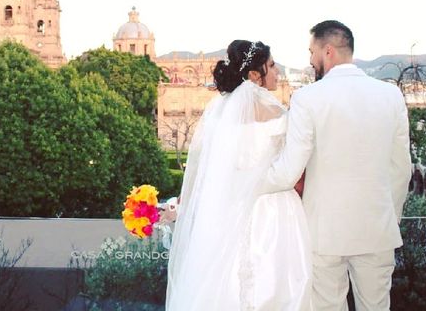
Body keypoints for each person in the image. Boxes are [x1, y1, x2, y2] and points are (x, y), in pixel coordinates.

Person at [261, 20, 411, 310]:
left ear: (327, 51)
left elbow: (289, 170)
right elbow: (401, 169)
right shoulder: (391, 96)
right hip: (377, 230)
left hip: (323, 232)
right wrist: (388, 218)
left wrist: (245, 182)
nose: (309, 59)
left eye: (311, 51)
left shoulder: (307, 98)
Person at [166, 40, 312, 311]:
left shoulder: (219, 110)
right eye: (271, 65)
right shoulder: (274, 110)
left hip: (228, 208)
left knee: (225, 282)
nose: (277, 70)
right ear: (255, 74)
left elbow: (205, 168)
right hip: (273, 209)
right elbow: (293, 162)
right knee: (278, 284)